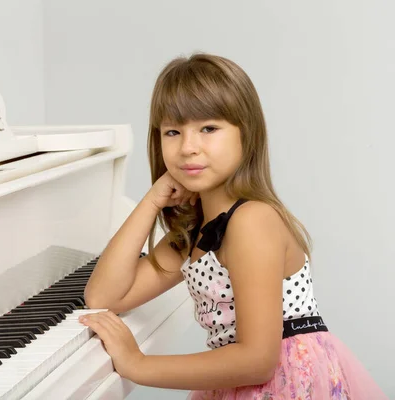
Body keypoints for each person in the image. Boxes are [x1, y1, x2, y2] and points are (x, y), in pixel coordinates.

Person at [79, 53, 387, 399]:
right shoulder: (196, 230)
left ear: (247, 134)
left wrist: (138, 365)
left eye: (208, 128)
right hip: (240, 383)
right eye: (172, 131)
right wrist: (150, 201)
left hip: (285, 384)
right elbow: (105, 296)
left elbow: (258, 360)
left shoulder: (252, 220)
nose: (188, 147)